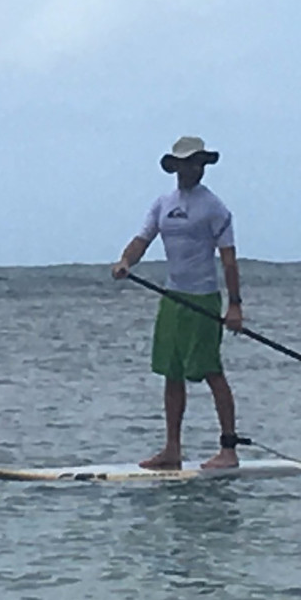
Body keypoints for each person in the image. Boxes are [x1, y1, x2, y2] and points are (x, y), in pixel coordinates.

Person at [111, 136, 244, 469]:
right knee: (172, 373)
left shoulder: (214, 207)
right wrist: (126, 261)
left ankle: (228, 448)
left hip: (204, 299)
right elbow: (142, 240)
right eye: (190, 163)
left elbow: (228, 260)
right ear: (177, 166)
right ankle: (172, 449)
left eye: (200, 163)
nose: (195, 169)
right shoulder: (163, 204)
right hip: (173, 298)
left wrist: (235, 306)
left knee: (211, 371)